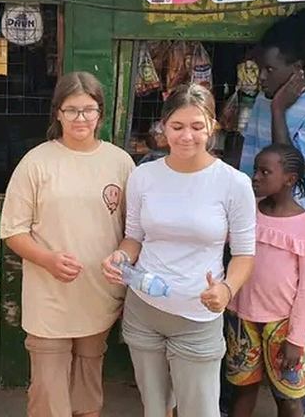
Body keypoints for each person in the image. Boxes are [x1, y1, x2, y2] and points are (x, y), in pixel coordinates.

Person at [102, 83, 257, 417]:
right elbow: (134, 238)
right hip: (144, 309)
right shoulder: (144, 176)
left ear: (213, 126)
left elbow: (245, 254)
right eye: (177, 126)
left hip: (198, 316)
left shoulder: (234, 184)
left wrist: (227, 290)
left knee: (199, 410)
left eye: (197, 126)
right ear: (163, 127)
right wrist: (121, 257)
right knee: (154, 409)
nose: (187, 136)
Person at [0, 71, 136, 417]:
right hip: (49, 299)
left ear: (100, 114)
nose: (80, 118)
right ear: (57, 113)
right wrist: (47, 259)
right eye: (72, 110)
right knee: (48, 396)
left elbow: (133, 229)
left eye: (88, 110)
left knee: (88, 393)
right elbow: (13, 231)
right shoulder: (36, 162)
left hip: (98, 295)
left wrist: (120, 257)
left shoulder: (120, 163)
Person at [238, 8, 305, 416]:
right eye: (259, 69)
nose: (262, 78)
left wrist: (282, 110)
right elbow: (248, 166)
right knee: (250, 317)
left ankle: (297, 401)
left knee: (297, 325)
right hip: (259, 233)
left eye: (269, 69)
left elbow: (293, 173)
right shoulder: (264, 104)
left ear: (297, 70)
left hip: (302, 239)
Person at [226, 144, 305, 417]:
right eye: (255, 170)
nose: (255, 177)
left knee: (288, 398)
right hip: (241, 317)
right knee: (243, 389)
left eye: (265, 172)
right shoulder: (248, 210)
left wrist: (296, 338)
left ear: (289, 179)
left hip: (282, 325)